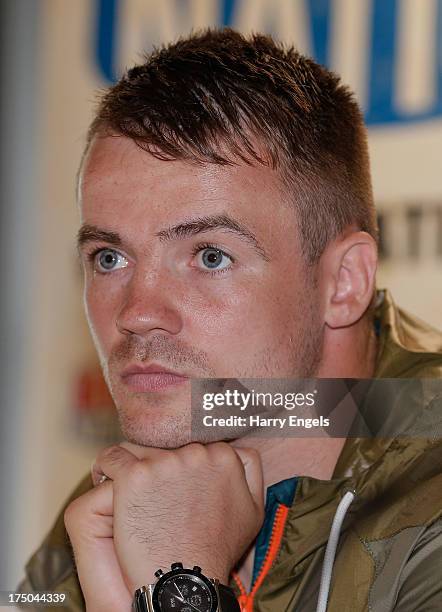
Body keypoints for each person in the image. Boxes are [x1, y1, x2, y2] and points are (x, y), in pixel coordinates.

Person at [18, 29, 442, 612]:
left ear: (342, 283)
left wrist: (179, 585)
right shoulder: (145, 486)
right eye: (109, 258)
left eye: (210, 256)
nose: (138, 313)